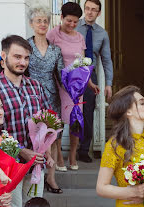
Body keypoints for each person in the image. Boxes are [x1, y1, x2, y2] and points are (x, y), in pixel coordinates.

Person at [0, 35, 50, 207]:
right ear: (3, 57)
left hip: (35, 164)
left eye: (26, 57)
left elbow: (45, 121)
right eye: (17, 56)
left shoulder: (36, 87)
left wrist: (47, 150)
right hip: (7, 166)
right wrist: (22, 151)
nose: (22, 62)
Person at [47, 1, 99, 171]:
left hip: (77, 86)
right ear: (61, 17)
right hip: (60, 85)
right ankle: (60, 157)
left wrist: (90, 83)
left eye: (75, 21)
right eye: (69, 20)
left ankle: (72, 156)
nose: (72, 24)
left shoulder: (79, 37)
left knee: (76, 120)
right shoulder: (52, 35)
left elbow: (82, 63)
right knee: (60, 121)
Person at [27, 6, 65, 193]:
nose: (42, 24)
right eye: (38, 21)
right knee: (33, 136)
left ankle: (51, 178)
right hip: (30, 96)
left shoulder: (56, 50)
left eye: (45, 21)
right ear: (31, 24)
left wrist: (77, 86)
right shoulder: (25, 46)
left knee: (52, 137)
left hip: (51, 97)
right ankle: (33, 175)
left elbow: (60, 76)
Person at [76, 0, 114, 163]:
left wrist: (108, 83)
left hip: (91, 76)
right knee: (71, 112)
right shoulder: (74, 27)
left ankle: (84, 149)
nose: (90, 12)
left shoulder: (102, 34)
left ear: (99, 13)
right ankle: (71, 148)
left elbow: (106, 60)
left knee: (88, 113)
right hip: (73, 73)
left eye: (94, 10)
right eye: (87, 9)